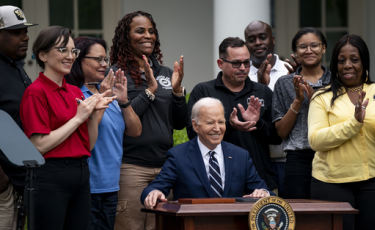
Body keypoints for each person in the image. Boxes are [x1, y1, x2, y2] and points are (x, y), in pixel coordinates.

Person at [20, 26, 115, 230]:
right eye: (62, 50)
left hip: (80, 173)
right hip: (50, 176)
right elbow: (38, 146)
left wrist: (94, 115)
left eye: (73, 51)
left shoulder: (74, 91)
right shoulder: (35, 92)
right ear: (43, 55)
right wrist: (78, 118)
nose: (70, 56)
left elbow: (87, 145)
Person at [308, 34, 375, 230]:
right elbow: (316, 141)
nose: (347, 65)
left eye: (354, 59)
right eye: (341, 60)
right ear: (335, 64)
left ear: (364, 62)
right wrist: (354, 124)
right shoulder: (321, 97)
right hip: (331, 184)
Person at [110, 11, 187, 230]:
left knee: (160, 226)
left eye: (151, 31)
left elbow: (179, 123)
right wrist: (150, 92)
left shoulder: (165, 73)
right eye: (140, 31)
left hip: (163, 167)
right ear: (126, 36)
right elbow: (123, 120)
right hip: (131, 167)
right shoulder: (117, 75)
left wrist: (177, 91)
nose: (148, 36)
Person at [65, 36, 142, 230]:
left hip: (111, 186)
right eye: (97, 59)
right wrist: (100, 100)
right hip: (87, 186)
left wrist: (123, 101)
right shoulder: (74, 94)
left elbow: (135, 131)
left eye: (105, 59)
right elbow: (83, 137)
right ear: (78, 60)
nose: (104, 65)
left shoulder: (108, 91)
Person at [187, 37, 281, 192]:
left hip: (260, 182)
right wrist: (228, 126)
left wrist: (257, 123)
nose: (243, 68)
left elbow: (277, 138)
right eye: (236, 63)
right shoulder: (204, 91)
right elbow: (193, 134)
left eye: (247, 62)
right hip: (217, 182)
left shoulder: (262, 92)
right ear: (220, 63)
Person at [142, 97, 271, 209]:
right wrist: (154, 192)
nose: (217, 128)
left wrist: (263, 193)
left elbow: (263, 189)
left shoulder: (240, 155)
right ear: (195, 125)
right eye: (210, 123)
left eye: (221, 122)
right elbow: (157, 186)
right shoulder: (178, 156)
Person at [272, 27, 330, 198]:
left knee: (329, 214)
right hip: (298, 158)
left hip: (331, 156)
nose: (309, 50)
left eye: (314, 45)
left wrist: (315, 101)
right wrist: (297, 101)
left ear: (324, 48)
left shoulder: (335, 81)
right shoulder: (284, 83)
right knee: (299, 215)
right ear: (296, 52)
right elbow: (281, 132)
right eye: (303, 47)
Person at [0, 5, 36, 230]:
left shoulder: (15, 66)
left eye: (24, 31)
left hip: (20, 177)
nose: (24, 37)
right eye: (16, 32)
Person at [244, 20, 289, 195]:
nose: (257, 43)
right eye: (251, 39)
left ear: (273, 39)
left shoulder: (289, 71)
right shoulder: (240, 73)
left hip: (285, 159)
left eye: (262, 37)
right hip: (254, 161)